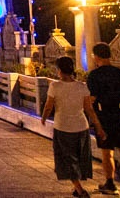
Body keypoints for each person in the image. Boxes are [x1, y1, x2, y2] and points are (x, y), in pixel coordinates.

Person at [41, 56, 104, 198]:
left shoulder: (55, 86)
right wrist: (98, 127)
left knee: (67, 159)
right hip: (82, 127)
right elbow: (89, 109)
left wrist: (44, 118)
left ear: (59, 70)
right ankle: (77, 188)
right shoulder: (82, 87)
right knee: (79, 158)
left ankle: (80, 190)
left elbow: (48, 106)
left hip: (63, 127)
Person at [86, 42, 120, 197]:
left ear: (96, 56)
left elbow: (92, 99)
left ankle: (110, 183)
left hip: (104, 116)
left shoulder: (95, 75)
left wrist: (95, 120)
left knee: (106, 152)